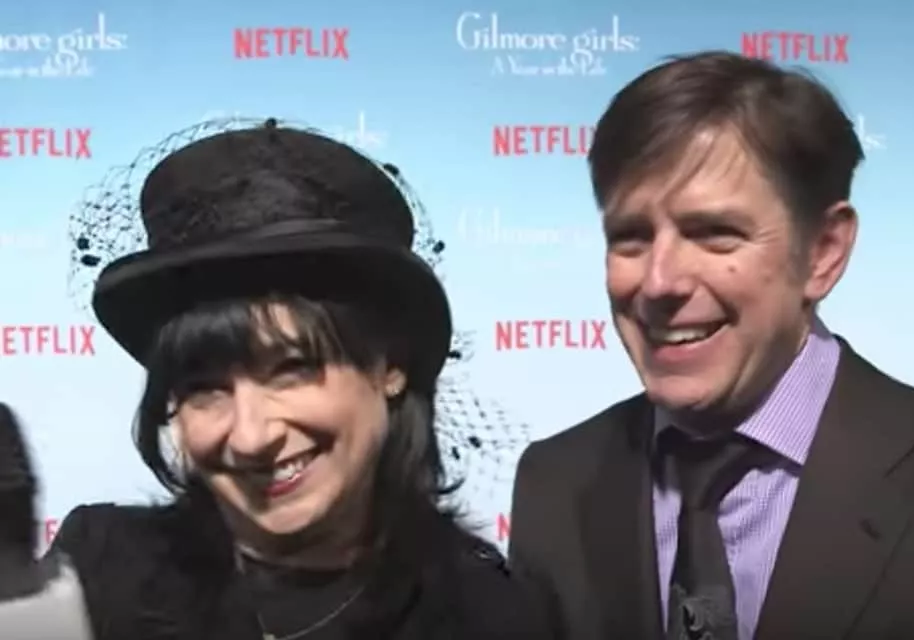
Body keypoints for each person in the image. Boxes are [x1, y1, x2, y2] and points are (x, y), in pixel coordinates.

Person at [507, 50, 914, 640]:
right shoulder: (555, 483)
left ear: (822, 252)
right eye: (631, 237)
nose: (660, 282)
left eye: (714, 234)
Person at [38, 120, 550, 639]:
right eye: (205, 388)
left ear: (389, 365)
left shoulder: (485, 618)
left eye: (292, 370)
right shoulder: (96, 576)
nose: (251, 436)